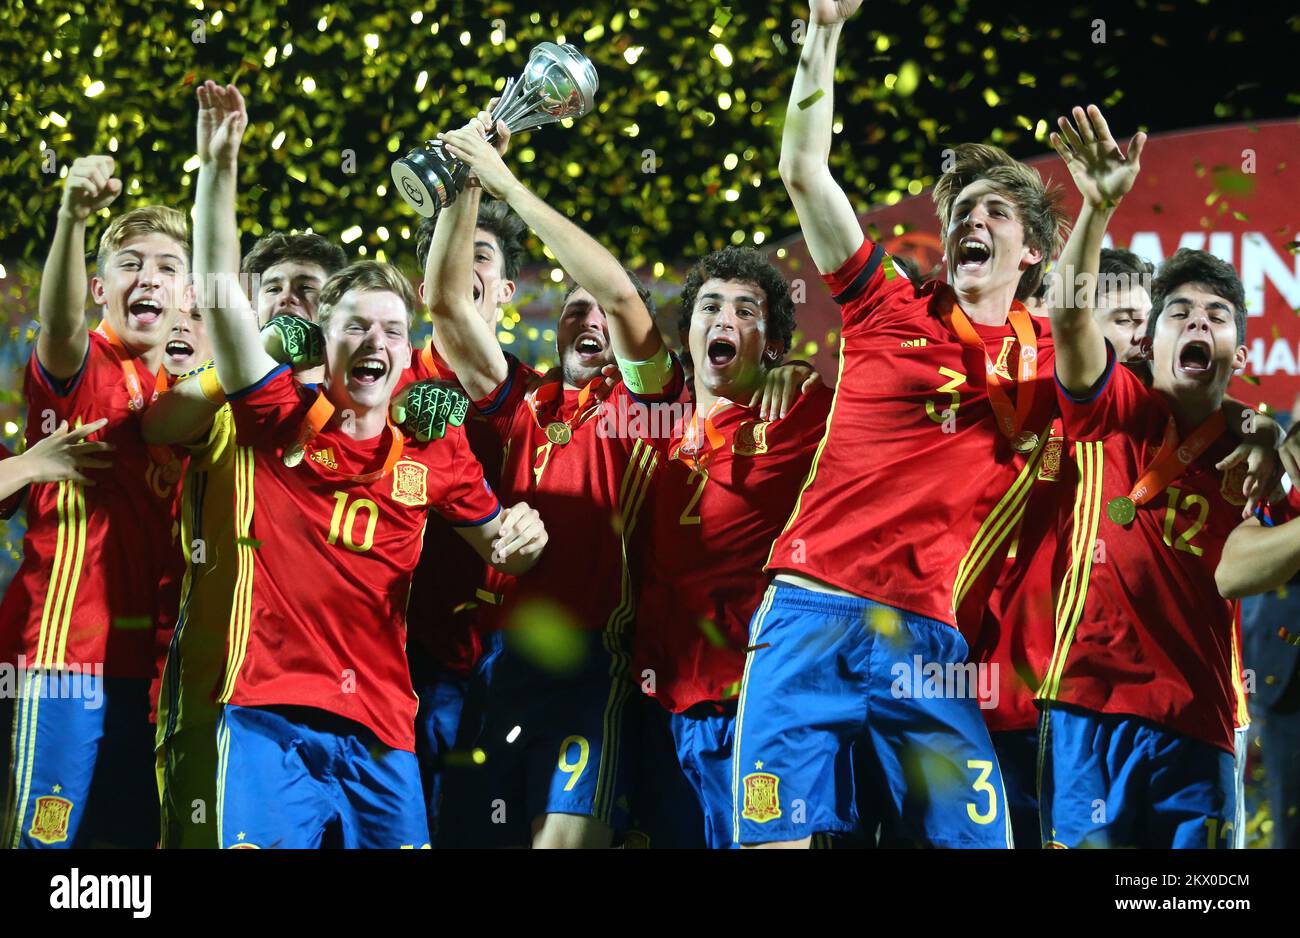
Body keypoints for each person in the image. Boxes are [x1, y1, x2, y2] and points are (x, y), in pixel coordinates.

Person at [734, 0, 1072, 848]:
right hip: (808, 613)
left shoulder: (1050, 367)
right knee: (774, 841)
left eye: (996, 212)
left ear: (1031, 251)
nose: (972, 221)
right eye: (963, 210)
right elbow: (804, 172)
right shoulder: (885, 304)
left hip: (927, 639)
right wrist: (824, 30)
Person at [190, 81, 548, 849]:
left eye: (393, 327)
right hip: (268, 717)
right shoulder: (276, 413)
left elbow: (505, 546)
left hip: (384, 727)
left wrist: (526, 536)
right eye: (357, 324)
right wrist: (217, 173)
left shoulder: (435, 447)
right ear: (326, 339)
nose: (377, 341)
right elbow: (222, 300)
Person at [425, 108, 687, 848]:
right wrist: (467, 182)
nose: (590, 317)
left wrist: (509, 180)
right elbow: (446, 305)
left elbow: (625, 296)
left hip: (593, 662)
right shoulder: (527, 404)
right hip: (499, 661)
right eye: (573, 309)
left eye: (597, 308)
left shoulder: (649, 410)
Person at [1043, 103, 1273, 848]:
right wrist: (1098, 206)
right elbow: (1071, 323)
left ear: (1240, 347)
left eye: (1217, 315)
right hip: (1088, 707)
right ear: (1151, 335)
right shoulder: (1118, 406)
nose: (1198, 324)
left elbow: (1240, 572)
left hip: (1200, 724)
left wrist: (1268, 433)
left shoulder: (1259, 451)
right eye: (1179, 312)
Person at [0, 154, 190, 848]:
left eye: (168, 266)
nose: (149, 277)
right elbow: (56, 323)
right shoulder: (81, 364)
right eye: (131, 264)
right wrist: (73, 216)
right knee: (50, 845)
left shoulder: (181, 398)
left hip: (148, 675)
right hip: (63, 661)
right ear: (101, 285)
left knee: (127, 847)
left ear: (189, 290)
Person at [630, 246, 830, 849]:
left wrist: (801, 376)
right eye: (711, 306)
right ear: (688, 330)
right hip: (663, 702)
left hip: (756, 701)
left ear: (771, 344)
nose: (725, 318)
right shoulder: (661, 427)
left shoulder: (798, 415)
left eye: (747, 310)